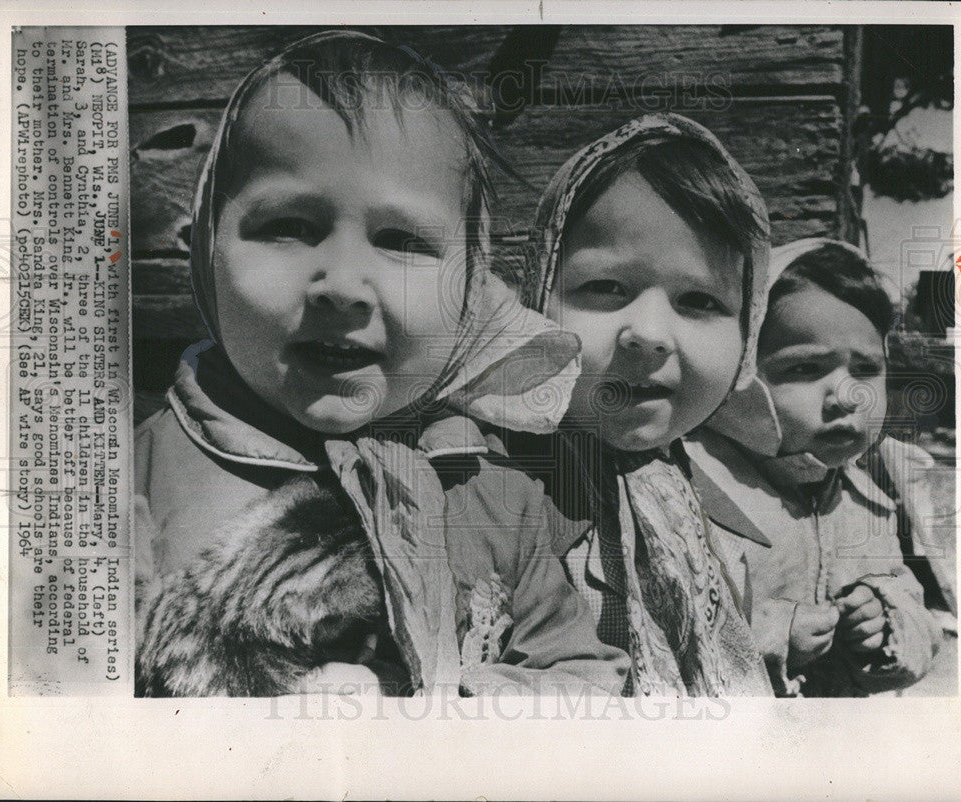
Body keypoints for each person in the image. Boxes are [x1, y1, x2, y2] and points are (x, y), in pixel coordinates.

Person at [134, 31, 628, 698]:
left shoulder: (493, 494)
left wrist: (454, 711)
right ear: (206, 255)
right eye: (287, 226)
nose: (341, 282)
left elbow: (586, 676)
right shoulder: (129, 482)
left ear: (471, 295)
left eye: (401, 240)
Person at [511, 113, 776, 696]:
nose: (650, 333)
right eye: (605, 288)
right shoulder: (490, 497)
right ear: (536, 296)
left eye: (699, 299)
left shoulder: (713, 512)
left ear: (748, 333)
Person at [685, 238, 941, 696]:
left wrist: (886, 623)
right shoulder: (694, 488)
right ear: (739, 376)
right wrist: (776, 637)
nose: (848, 396)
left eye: (865, 369)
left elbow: (920, 621)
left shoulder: (868, 501)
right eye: (805, 369)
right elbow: (666, 635)